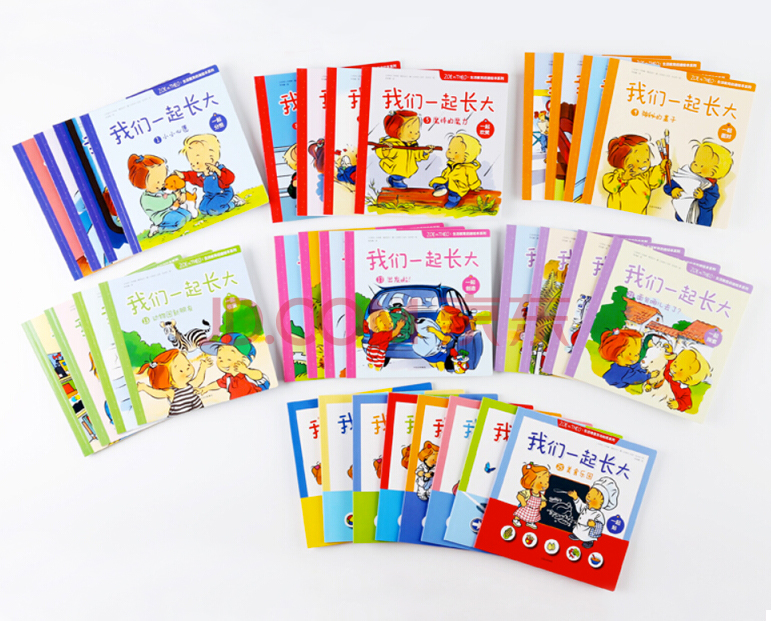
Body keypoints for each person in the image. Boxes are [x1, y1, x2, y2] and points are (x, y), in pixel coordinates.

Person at [664, 141, 733, 227]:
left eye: (701, 165)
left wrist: (702, 196)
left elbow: (711, 201)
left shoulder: (711, 186)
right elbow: (668, 186)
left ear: (713, 172)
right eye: (695, 161)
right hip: (682, 216)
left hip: (701, 221)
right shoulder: (687, 175)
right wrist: (673, 190)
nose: (695, 164)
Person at [127, 154, 192, 237]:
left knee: (188, 215)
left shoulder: (162, 188)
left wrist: (182, 192)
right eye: (158, 181)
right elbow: (162, 204)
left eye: (163, 178)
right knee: (180, 220)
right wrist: (175, 196)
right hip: (161, 217)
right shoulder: (146, 199)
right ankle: (158, 229)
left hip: (171, 210)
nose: (162, 183)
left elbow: (177, 184)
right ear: (143, 183)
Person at [602, 135, 669, 214]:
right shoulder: (618, 175)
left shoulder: (645, 175)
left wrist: (661, 168)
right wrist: (624, 178)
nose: (645, 162)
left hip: (639, 215)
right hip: (619, 213)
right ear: (622, 161)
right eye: (638, 160)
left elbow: (654, 181)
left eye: (647, 159)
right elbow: (609, 185)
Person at [176, 134, 240, 216]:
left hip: (223, 193)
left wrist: (218, 172)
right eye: (192, 163)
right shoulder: (202, 175)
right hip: (209, 195)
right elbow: (193, 177)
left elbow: (230, 178)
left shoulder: (220, 169)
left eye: (197, 162)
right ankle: (215, 205)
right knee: (203, 209)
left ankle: (232, 203)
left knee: (213, 210)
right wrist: (183, 175)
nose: (194, 165)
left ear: (211, 159)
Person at [136, 349, 211, 415]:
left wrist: (203, 367)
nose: (188, 369)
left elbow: (198, 380)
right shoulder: (172, 392)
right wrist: (145, 388)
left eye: (188, 365)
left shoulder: (190, 385)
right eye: (181, 370)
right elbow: (158, 393)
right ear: (167, 377)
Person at [197, 333, 270, 400]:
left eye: (229, 359)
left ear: (245, 360)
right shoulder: (228, 378)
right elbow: (218, 384)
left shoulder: (247, 374)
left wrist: (246, 371)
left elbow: (259, 376)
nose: (223, 363)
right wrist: (206, 388)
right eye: (220, 358)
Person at [374, 110, 436, 188]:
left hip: (407, 167)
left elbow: (416, 154)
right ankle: (395, 180)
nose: (415, 135)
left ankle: (394, 180)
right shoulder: (392, 143)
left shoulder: (412, 145)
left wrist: (424, 152)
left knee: (402, 174)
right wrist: (386, 149)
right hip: (394, 166)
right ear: (397, 131)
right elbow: (382, 153)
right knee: (398, 174)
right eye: (411, 132)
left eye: (417, 131)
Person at [430, 132, 483, 208]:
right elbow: (447, 172)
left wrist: (475, 186)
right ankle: (441, 188)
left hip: (458, 186)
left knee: (454, 194)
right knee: (436, 181)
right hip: (448, 181)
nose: (450, 153)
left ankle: (452, 201)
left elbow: (473, 179)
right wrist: (444, 176)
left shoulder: (468, 168)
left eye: (455, 152)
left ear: (467, 156)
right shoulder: (452, 164)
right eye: (449, 150)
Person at [568, 477, 619, 548]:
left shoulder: (598, 514)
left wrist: (594, 524)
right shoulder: (585, 507)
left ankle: (588, 541)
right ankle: (577, 535)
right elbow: (579, 507)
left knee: (587, 535)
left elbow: (600, 525)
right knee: (578, 530)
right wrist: (576, 497)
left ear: (601, 503)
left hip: (588, 531)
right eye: (589, 495)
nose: (589, 498)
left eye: (594, 498)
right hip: (579, 527)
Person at [513, 463, 550, 529]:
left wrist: (542, 505)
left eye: (546, 482)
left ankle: (530, 522)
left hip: (534, 511)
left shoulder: (540, 495)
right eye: (541, 482)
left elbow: (544, 501)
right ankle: (516, 519)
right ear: (531, 482)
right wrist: (523, 501)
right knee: (520, 513)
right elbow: (519, 496)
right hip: (526, 507)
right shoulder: (528, 492)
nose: (545, 485)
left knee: (533, 517)